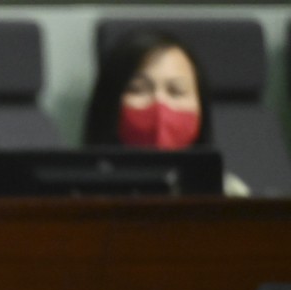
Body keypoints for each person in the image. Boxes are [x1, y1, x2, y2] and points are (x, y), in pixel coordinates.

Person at [83, 28, 249, 196]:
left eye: (176, 91)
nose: (160, 106)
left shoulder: (229, 194)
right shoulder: (79, 195)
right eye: (138, 89)